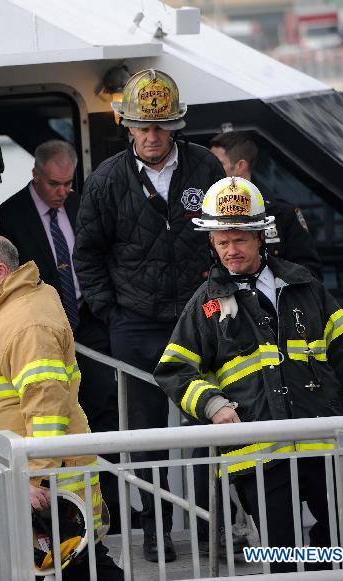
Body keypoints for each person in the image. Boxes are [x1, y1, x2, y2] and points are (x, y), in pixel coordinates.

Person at [153, 177, 343, 573]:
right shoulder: (206, 304)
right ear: (211, 243)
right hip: (259, 453)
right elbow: (174, 369)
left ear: (261, 236)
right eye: (222, 241)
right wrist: (213, 405)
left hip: (325, 443)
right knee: (279, 556)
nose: (231, 251)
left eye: (239, 240)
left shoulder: (304, 285)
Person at [73, 68, 225, 562]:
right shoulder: (105, 182)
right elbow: (87, 257)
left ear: (176, 126)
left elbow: (230, 236)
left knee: (208, 423)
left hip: (200, 316)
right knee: (144, 436)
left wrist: (221, 297)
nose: (153, 136)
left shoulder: (206, 169)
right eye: (144, 126)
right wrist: (111, 313)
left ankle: (208, 527)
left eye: (161, 126)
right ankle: (155, 531)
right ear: (128, 127)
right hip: (135, 323)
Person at [0, 234, 123, 580]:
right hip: (16, 481)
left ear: (0, 271)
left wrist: (33, 480)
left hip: (31, 488)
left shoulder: (26, 321)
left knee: (75, 569)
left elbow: (46, 408)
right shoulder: (2, 311)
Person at [0, 139, 124, 532]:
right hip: (44, 333)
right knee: (57, 418)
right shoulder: (9, 216)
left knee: (104, 411)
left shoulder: (79, 204)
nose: (63, 192)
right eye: (55, 184)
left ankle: (115, 509)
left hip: (87, 324)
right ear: (35, 175)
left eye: (69, 184)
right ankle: (66, 515)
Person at [209, 131, 322, 279]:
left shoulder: (283, 214)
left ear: (240, 166)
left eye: (217, 163)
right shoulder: (204, 215)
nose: (210, 169)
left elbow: (310, 273)